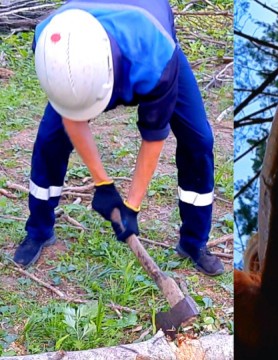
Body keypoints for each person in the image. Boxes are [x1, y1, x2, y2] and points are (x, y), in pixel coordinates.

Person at [12, 0, 224, 276]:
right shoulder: (50, 43)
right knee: (50, 140)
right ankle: (38, 230)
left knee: (199, 141)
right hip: (88, 49)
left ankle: (194, 242)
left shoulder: (156, 59)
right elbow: (71, 117)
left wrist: (131, 206)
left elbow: (153, 138)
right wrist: (103, 184)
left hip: (148, 42)